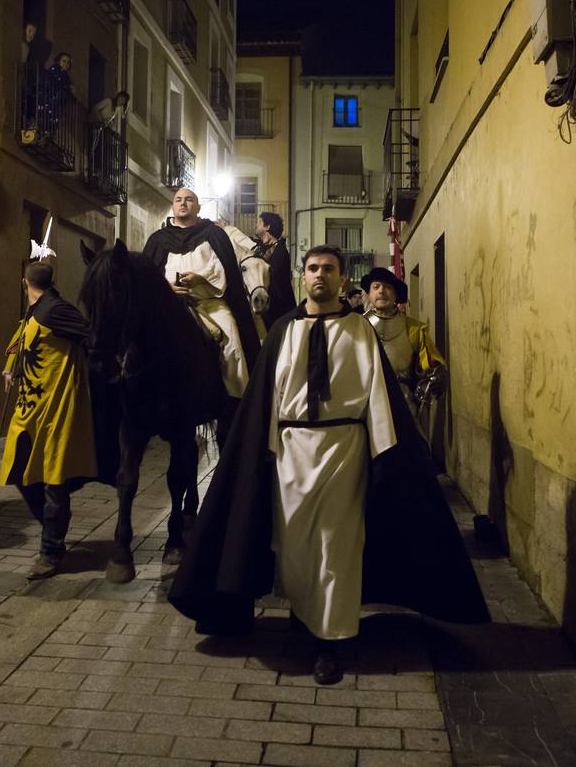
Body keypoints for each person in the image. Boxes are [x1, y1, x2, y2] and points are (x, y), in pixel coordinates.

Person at [168, 246, 488, 686]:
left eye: (329, 269)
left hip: (344, 447)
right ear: (303, 277)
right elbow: (268, 398)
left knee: (337, 545)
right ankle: (307, 617)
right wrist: (263, 454)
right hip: (292, 448)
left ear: (341, 278)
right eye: (313, 268)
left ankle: (332, 640)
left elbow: (378, 391)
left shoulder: (360, 330)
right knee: (294, 541)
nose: (320, 276)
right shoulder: (283, 330)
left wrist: (385, 456)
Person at [0, 262, 97, 580]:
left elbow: (91, 336)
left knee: (54, 482)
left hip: (55, 411)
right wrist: (10, 366)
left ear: (23, 281)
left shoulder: (55, 309)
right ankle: (52, 531)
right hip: (29, 410)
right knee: (21, 474)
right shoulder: (35, 309)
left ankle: (51, 550)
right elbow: (23, 341)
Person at [142, 187, 261, 411]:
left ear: (197, 206)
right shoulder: (158, 239)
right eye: (178, 200)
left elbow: (228, 273)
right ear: (173, 206)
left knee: (232, 340)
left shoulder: (214, 235)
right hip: (168, 306)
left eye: (189, 200)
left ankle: (235, 399)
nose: (183, 203)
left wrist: (201, 280)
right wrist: (165, 288)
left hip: (211, 304)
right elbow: (146, 276)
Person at [360, 267, 445, 419]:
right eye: (376, 287)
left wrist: (435, 376)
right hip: (364, 403)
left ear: (396, 294)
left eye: (388, 287)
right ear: (369, 292)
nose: (381, 291)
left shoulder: (414, 329)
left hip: (403, 403)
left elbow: (432, 364)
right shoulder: (357, 326)